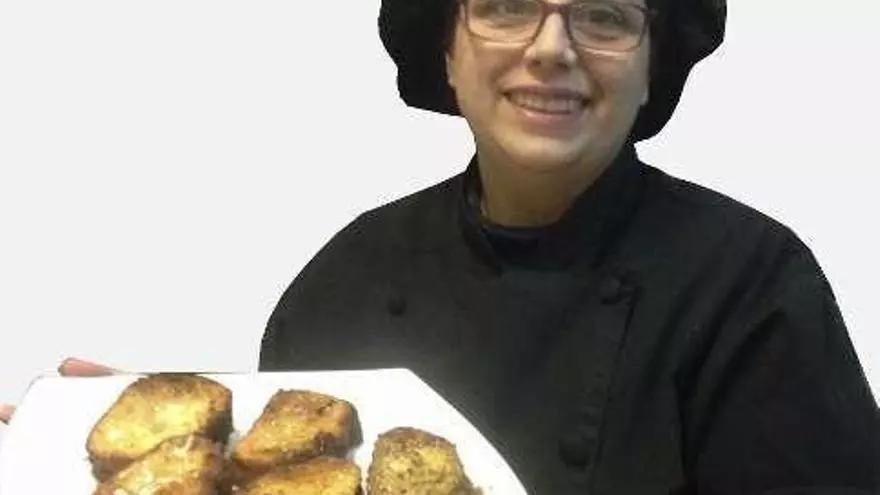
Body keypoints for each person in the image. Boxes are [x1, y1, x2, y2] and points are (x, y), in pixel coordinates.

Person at [2, 0, 878, 493]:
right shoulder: (344, 276)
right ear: (447, 53)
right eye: (505, 6)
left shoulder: (752, 285)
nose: (551, 48)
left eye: (605, 16)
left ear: (654, 69)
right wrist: (150, 458)